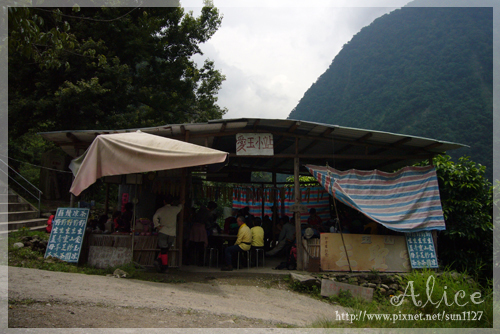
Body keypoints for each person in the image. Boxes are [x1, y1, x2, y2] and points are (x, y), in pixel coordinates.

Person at [153, 195, 183, 273]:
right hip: (172, 233)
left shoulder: (161, 210)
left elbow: (154, 217)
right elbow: (180, 206)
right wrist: (181, 202)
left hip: (163, 231)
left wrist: (157, 226)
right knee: (165, 250)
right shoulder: (175, 209)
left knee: (163, 249)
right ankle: (160, 261)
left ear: (164, 201)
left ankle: (165, 266)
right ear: (172, 202)